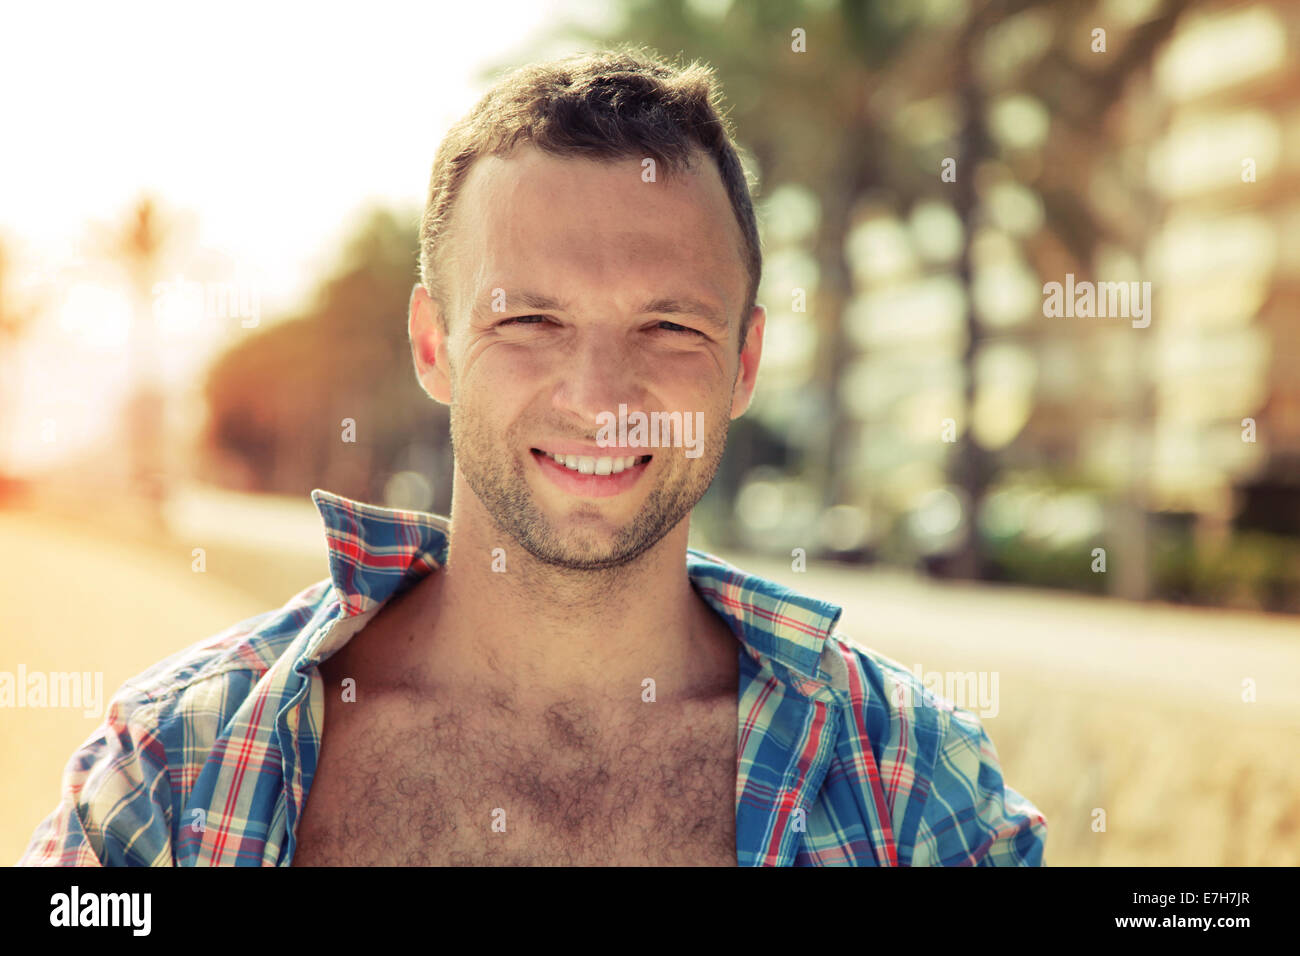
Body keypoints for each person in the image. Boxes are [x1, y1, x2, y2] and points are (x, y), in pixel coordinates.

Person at [19, 47, 1046, 867]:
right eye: (531, 320)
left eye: (668, 328)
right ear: (435, 346)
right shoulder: (174, 769)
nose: (599, 396)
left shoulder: (914, 792)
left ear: (742, 363)